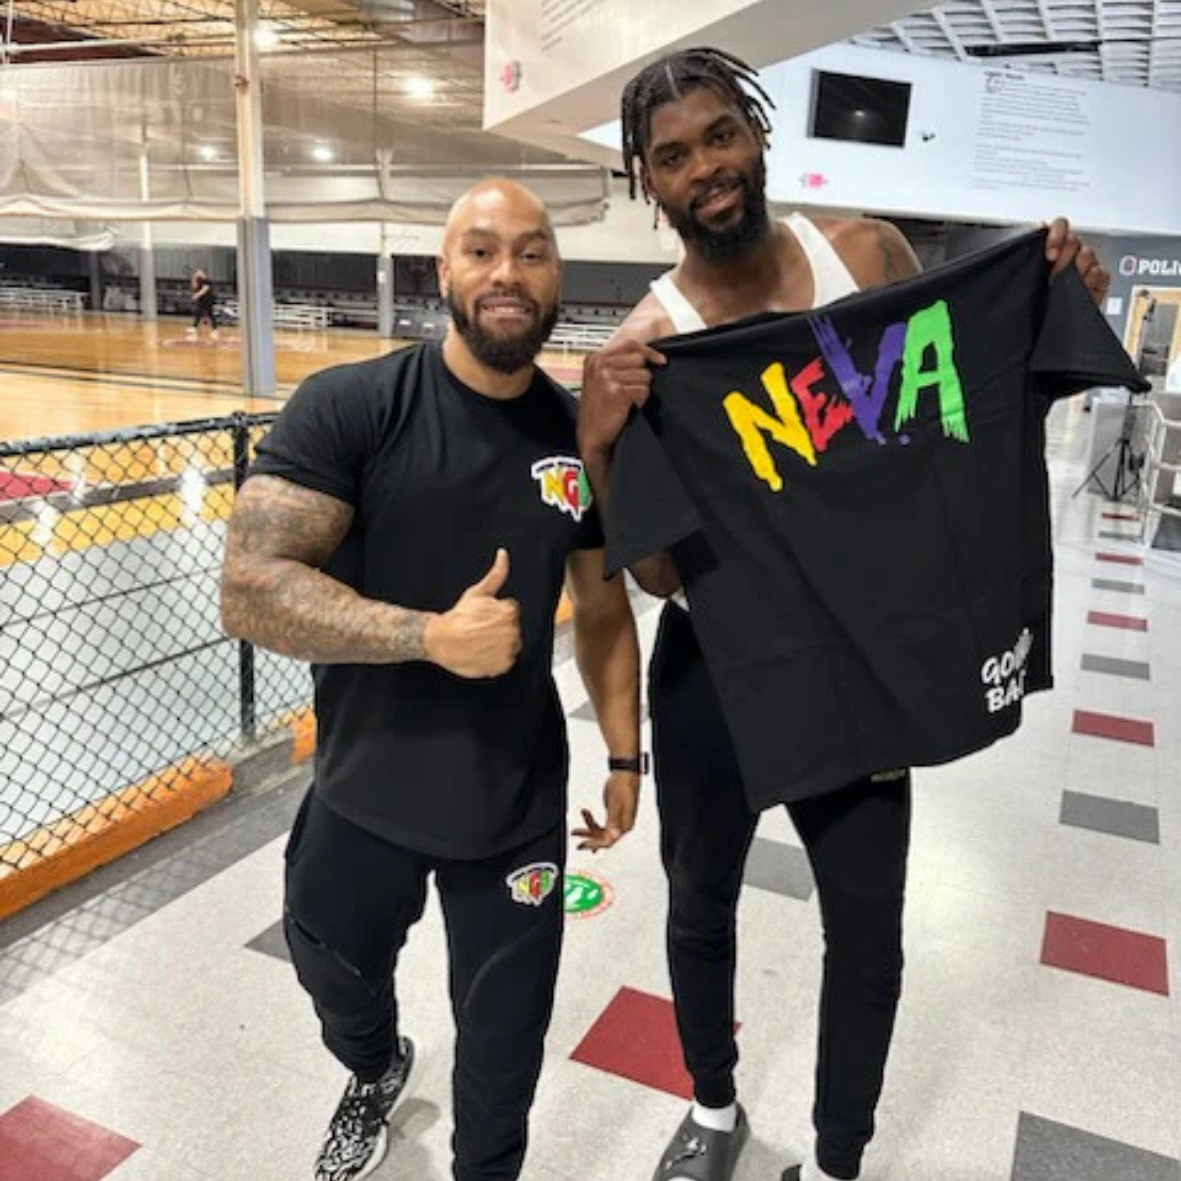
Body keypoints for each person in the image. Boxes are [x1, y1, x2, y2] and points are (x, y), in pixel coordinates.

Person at [576, 47, 1112, 1181]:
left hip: (861, 654)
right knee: (696, 901)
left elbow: (956, 405)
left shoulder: (862, 251)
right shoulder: (648, 345)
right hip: (720, 663)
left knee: (866, 928)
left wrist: (1051, 288)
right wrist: (601, 440)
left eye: (719, 135)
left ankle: (834, 1159)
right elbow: (663, 577)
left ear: (757, 135)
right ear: (645, 181)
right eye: (672, 156)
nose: (704, 168)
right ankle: (712, 1107)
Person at [220, 178, 643, 1181]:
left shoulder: (575, 440)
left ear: (555, 279)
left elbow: (606, 605)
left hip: (512, 802)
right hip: (364, 785)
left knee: (502, 1061)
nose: (508, 272)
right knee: (332, 967)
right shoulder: (353, 405)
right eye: (483, 250)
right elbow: (248, 587)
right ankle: (372, 1066)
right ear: (443, 271)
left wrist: (626, 752)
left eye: (531, 252)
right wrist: (426, 635)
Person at [189, 268, 220, 341]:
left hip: (209, 299)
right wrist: (194, 278)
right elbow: (194, 287)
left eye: (199, 272)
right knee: (199, 312)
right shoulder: (199, 280)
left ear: (203, 273)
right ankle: (194, 327)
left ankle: (214, 330)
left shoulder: (207, 281)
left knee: (209, 314)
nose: (197, 272)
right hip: (202, 300)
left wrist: (196, 295)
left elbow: (204, 290)